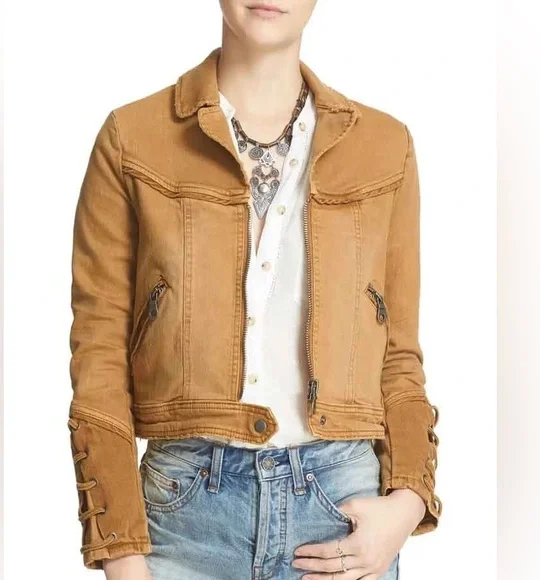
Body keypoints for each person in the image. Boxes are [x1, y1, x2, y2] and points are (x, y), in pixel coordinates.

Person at [67, 1, 442, 579]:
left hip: (342, 514)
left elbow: (398, 352)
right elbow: (99, 355)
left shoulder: (384, 149)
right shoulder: (133, 139)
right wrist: (119, 550)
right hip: (182, 517)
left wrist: (408, 502)